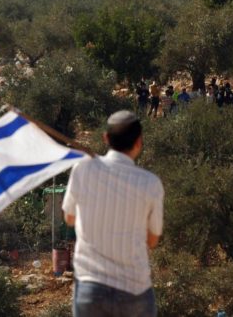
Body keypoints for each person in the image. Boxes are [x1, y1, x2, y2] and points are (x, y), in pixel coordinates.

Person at [63, 110, 163, 317]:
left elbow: (69, 218)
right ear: (139, 142)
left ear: (106, 138)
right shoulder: (150, 183)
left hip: (91, 287)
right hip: (134, 288)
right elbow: (153, 240)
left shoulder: (82, 169)